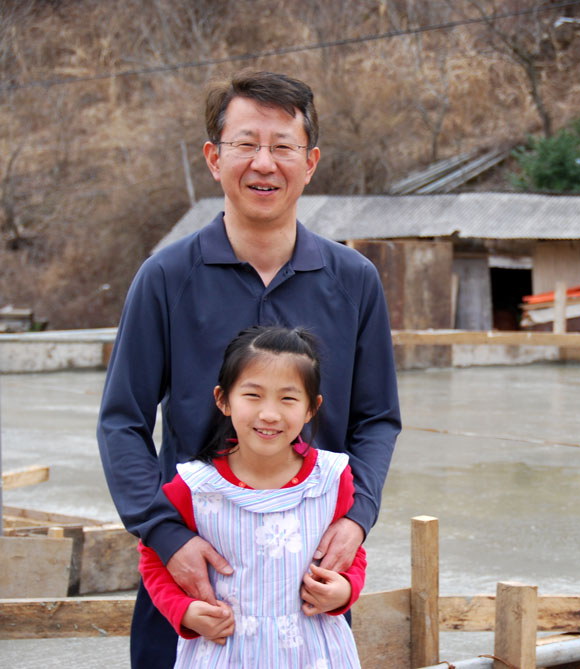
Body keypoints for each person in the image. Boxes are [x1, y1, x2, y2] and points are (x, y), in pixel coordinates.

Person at [97, 70, 400, 667]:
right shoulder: (165, 278)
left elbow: (377, 419)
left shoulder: (354, 281)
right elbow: (121, 424)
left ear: (310, 163)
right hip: (194, 581)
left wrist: (357, 518)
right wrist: (167, 537)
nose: (264, 163)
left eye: (283, 146)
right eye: (245, 144)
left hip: (306, 585)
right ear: (215, 157)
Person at [139, 325, 365, 668]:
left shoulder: (332, 480)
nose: (269, 414)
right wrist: (183, 610)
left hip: (316, 652)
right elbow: (154, 556)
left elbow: (350, 552)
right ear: (223, 400)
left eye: (288, 398)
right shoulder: (195, 486)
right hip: (225, 652)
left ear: (311, 408)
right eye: (253, 395)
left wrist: (345, 590)